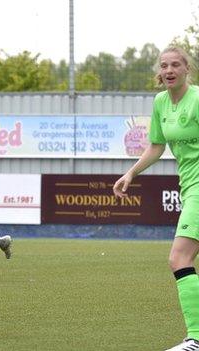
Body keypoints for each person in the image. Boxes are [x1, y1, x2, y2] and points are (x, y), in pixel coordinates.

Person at [113, 46, 199, 351]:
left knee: (179, 258)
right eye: (164, 65)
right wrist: (131, 174)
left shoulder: (198, 99)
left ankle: (197, 338)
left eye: (176, 64)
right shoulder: (161, 101)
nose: (169, 70)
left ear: (187, 68)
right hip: (189, 186)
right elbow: (156, 146)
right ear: (159, 72)